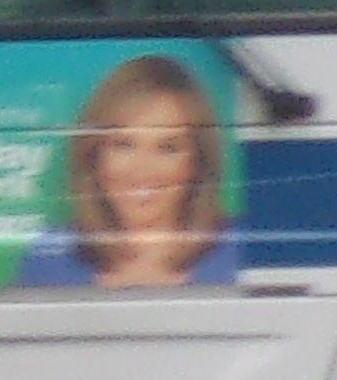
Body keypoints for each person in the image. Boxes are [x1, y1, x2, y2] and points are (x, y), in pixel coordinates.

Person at [14, 53, 239, 290]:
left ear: (197, 163)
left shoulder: (243, 248)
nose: (142, 170)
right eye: (123, 145)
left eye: (168, 148)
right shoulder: (50, 257)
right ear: (94, 155)